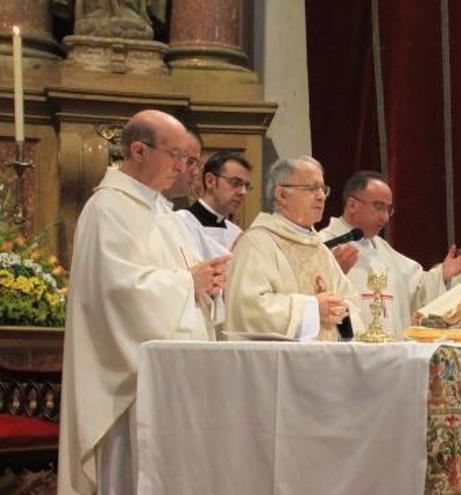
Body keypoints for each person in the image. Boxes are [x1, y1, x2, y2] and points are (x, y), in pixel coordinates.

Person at [58, 110, 231, 495]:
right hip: (128, 388)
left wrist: (209, 286)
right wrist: (189, 283)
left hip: (174, 380)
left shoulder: (163, 212)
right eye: (177, 156)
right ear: (139, 150)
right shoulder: (108, 209)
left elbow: (185, 280)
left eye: (189, 159)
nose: (184, 167)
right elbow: (117, 294)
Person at [225, 156, 363, 340]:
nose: (321, 196)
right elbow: (247, 309)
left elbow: (349, 301)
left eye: (323, 188)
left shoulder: (319, 249)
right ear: (282, 194)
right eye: (312, 188)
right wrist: (312, 309)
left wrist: (341, 310)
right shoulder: (257, 243)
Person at [318, 171, 461, 338]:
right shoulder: (322, 245)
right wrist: (333, 273)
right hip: (348, 355)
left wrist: (442, 275)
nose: (386, 217)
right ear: (352, 205)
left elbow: (417, 289)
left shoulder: (383, 249)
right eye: (379, 207)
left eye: (389, 209)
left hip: (389, 354)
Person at [176, 151, 252, 256]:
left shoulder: (236, 233)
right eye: (235, 182)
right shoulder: (179, 222)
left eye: (246, 186)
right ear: (210, 181)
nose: (243, 192)